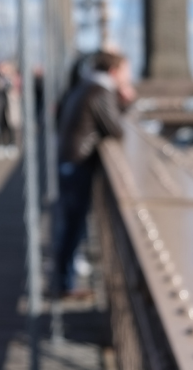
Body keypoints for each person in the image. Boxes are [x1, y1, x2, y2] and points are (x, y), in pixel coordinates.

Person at [52, 50, 136, 299]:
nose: (128, 76)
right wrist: (127, 100)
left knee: (70, 224)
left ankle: (65, 280)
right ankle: (65, 284)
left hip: (70, 160)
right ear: (114, 72)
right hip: (78, 163)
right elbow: (115, 129)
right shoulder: (100, 90)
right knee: (73, 226)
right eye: (126, 71)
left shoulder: (87, 85)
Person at [0, 61, 21, 160]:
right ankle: (0, 145)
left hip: (10, 106)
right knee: (0, 127)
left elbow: (17, 89)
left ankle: (11, 145)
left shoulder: (12, 78)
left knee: (10, 127)